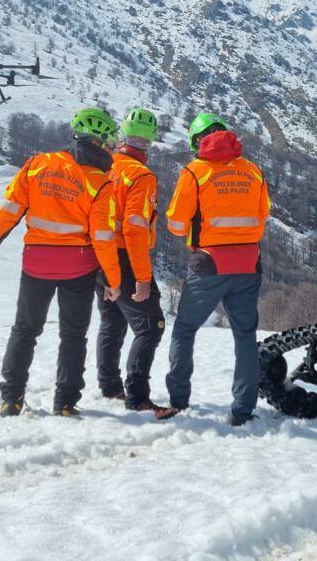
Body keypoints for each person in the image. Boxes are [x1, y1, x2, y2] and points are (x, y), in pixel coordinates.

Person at [0, 107, 122, 418]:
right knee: (73, 334)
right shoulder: (101, 183)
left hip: (36, 264)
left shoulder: (37, 165)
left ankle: (11, 399)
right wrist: (112, 279)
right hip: (79, 268)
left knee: (25, 330)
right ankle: (65, 403)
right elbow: (104, 238)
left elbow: (10, 213)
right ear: (101, 141)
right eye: (110, 142)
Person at [164, 113, 270, 425]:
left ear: (197, 141)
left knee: (185, 329)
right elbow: (263, 214)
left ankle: (179, 400)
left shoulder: (195, 172)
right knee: (245, 336)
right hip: (249, 262)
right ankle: (243, 409)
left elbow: (176, 223)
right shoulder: (252, 170)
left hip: (208, 263)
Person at [95, 107, 177, 420]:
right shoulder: (141, 176)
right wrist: (143, 278)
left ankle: (109, 385)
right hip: (126, 258)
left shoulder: (106, 166)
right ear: (150, 142)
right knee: (150, 326)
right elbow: (134, 228)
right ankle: (138, 397)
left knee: (112, 320)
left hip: (100, 256)